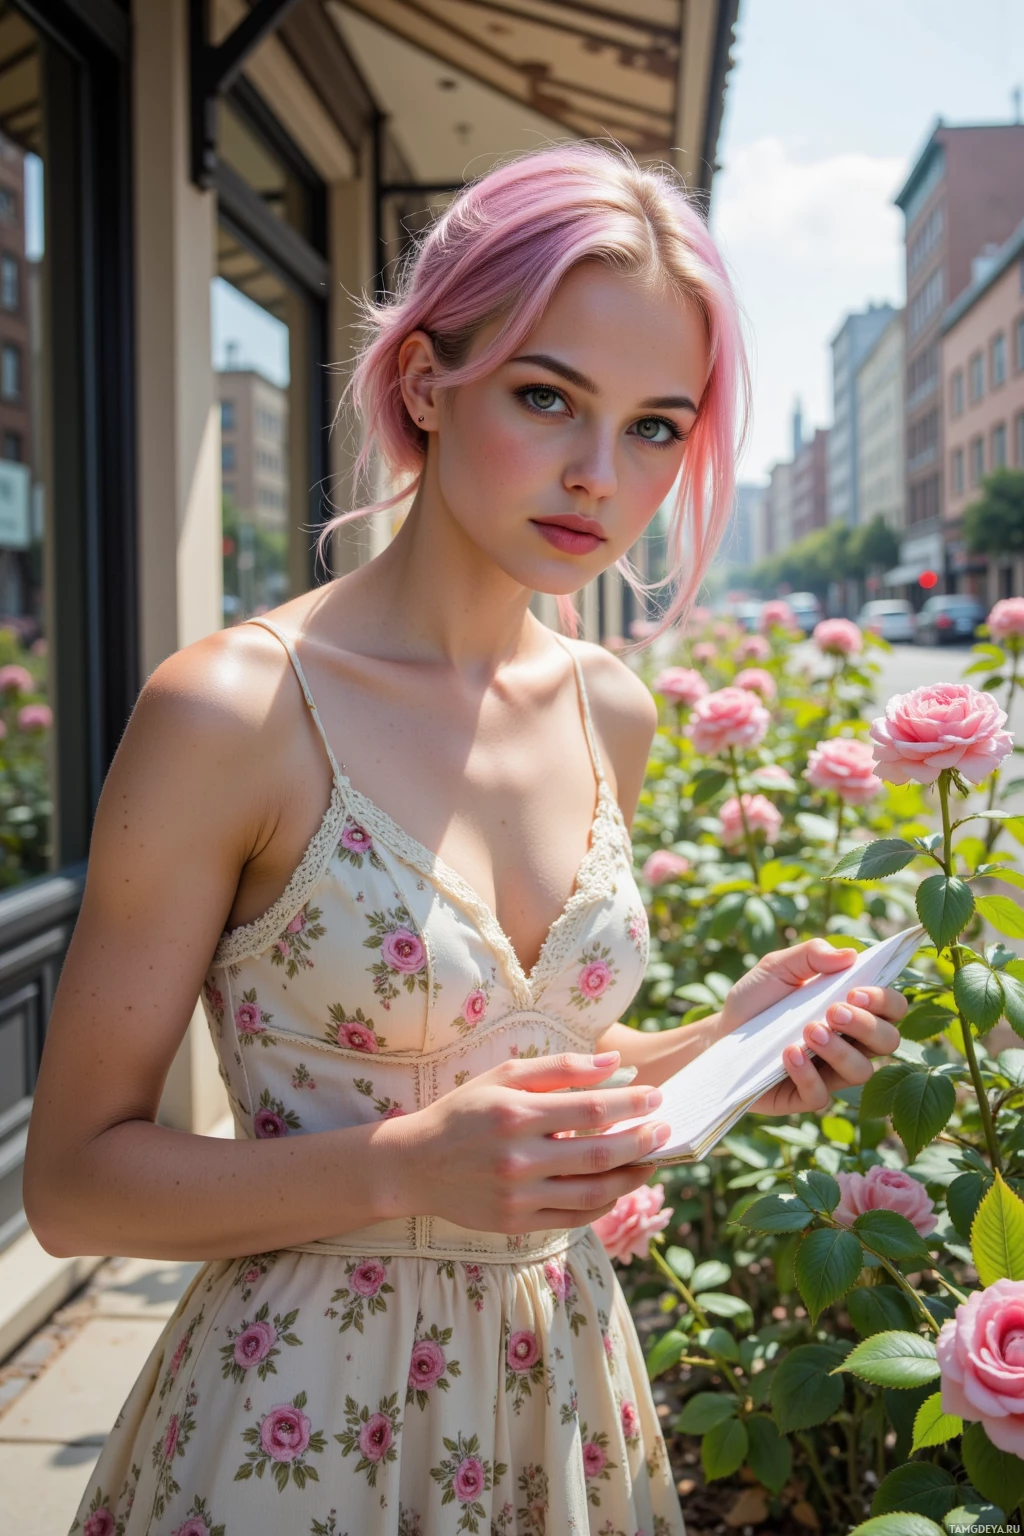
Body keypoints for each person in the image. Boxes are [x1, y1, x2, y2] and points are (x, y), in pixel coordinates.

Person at [26, 141, 906, 1536]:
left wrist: (718, 1048)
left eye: (656, 427)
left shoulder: (609, 710)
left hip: (566, 1397)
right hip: (300, 1424)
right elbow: (72, 1185)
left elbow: (515, 1065)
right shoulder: (239, 708)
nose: (598, 477)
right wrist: (399, 1170)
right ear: (429, 381)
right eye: (548, 397)